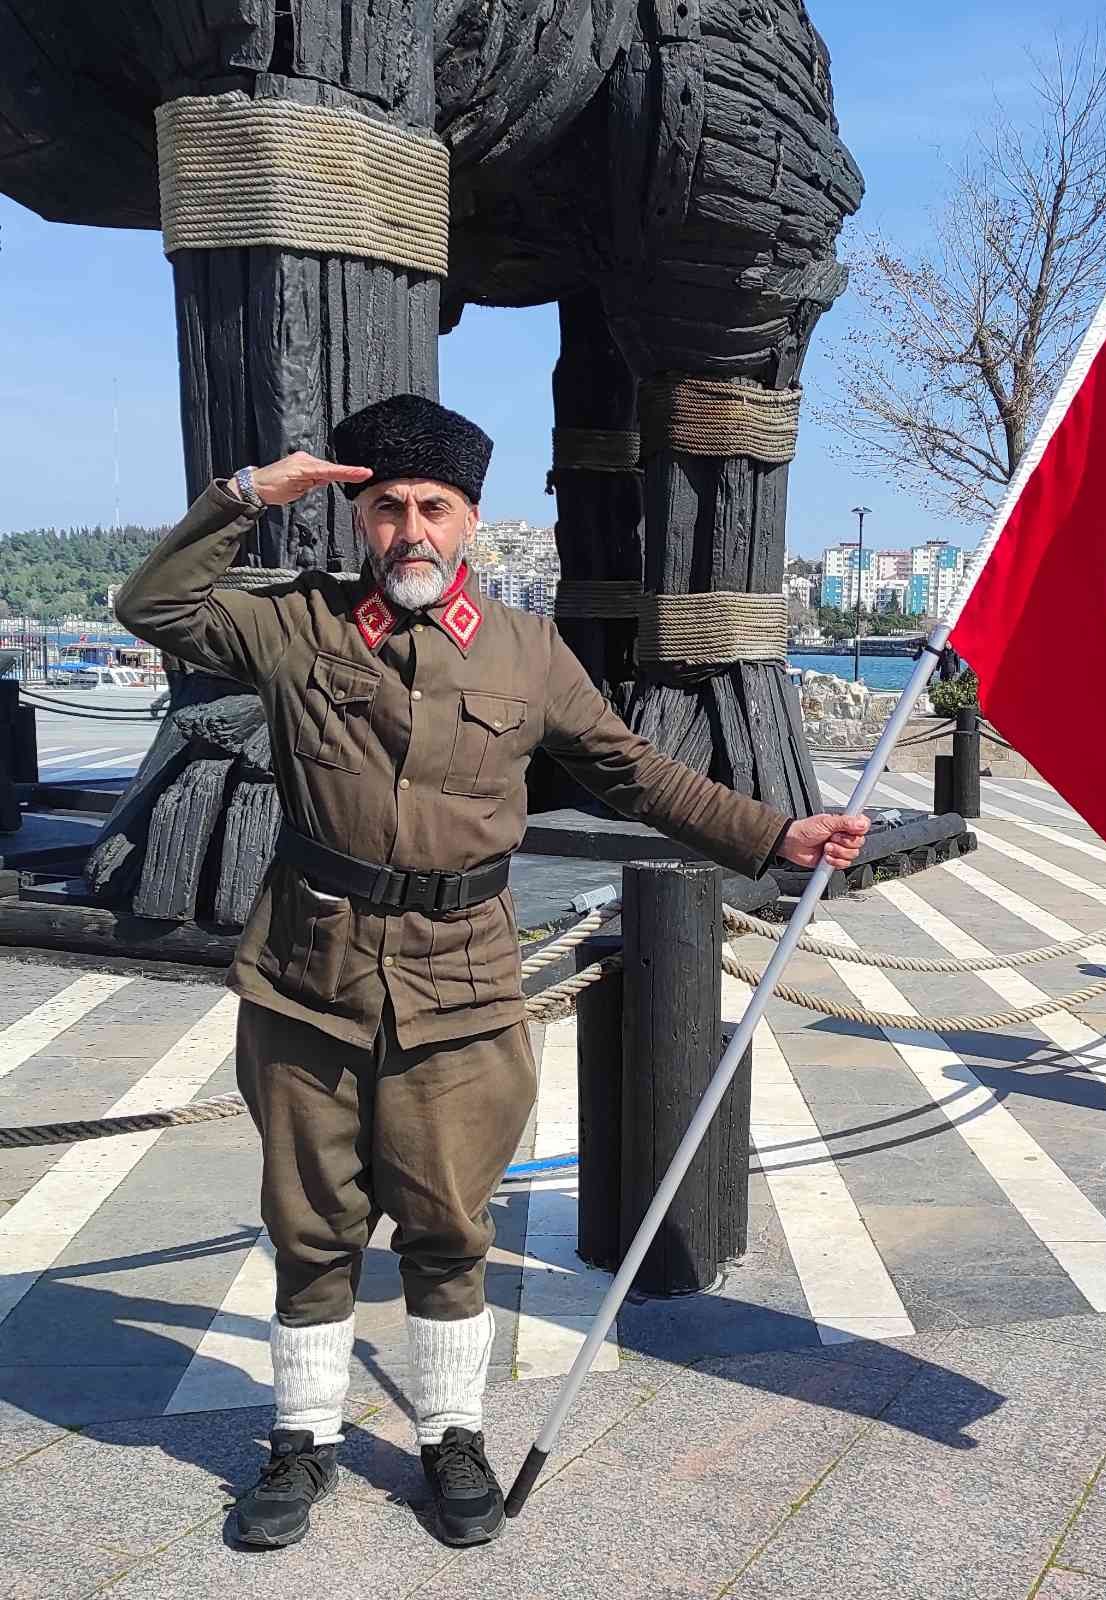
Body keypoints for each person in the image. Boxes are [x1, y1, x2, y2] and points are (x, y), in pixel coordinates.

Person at [115, 393, 869, 1551]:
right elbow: (151, 603)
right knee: (311, 1221)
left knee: (448, 1219)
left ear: (471, 519)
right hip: (308, 975)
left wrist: (777, 835)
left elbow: (636, 773)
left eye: (433, 508)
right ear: (358, 520)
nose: (410, 530)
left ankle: (451, 1434)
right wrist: (249, 495)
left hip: (461, 981)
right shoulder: (298, 626)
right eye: (386, 510)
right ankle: (303, 1440)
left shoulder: (526, 651)